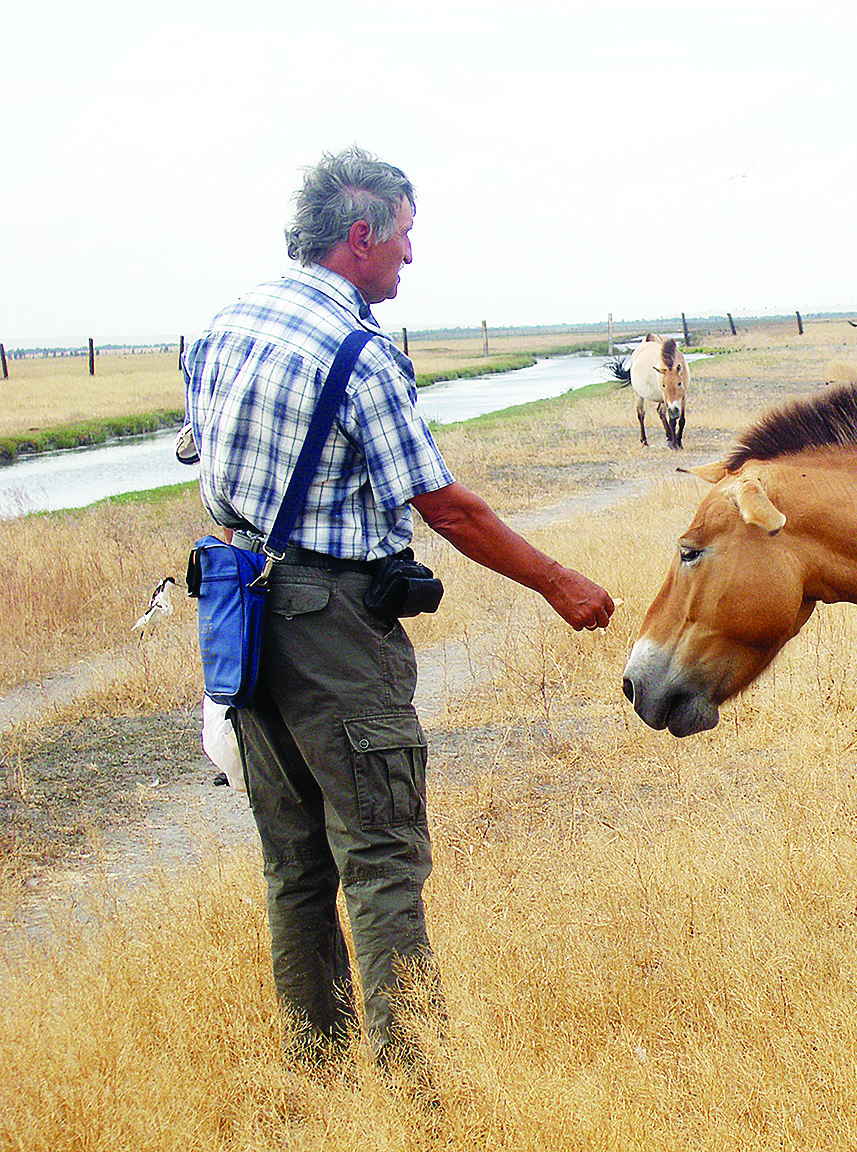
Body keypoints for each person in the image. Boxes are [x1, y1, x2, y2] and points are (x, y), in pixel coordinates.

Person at [183, 146, 614, 1071]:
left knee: (294, 865)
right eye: (407, 236)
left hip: (238, 613)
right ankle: (421, 1090)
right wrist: (558, 583)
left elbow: (200, 456)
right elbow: (445, 506)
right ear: (360, 236)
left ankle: (319, 1067)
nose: (412, 258)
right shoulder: (362, 354)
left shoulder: (224, 323)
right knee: (380, 861)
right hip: (330, 624)